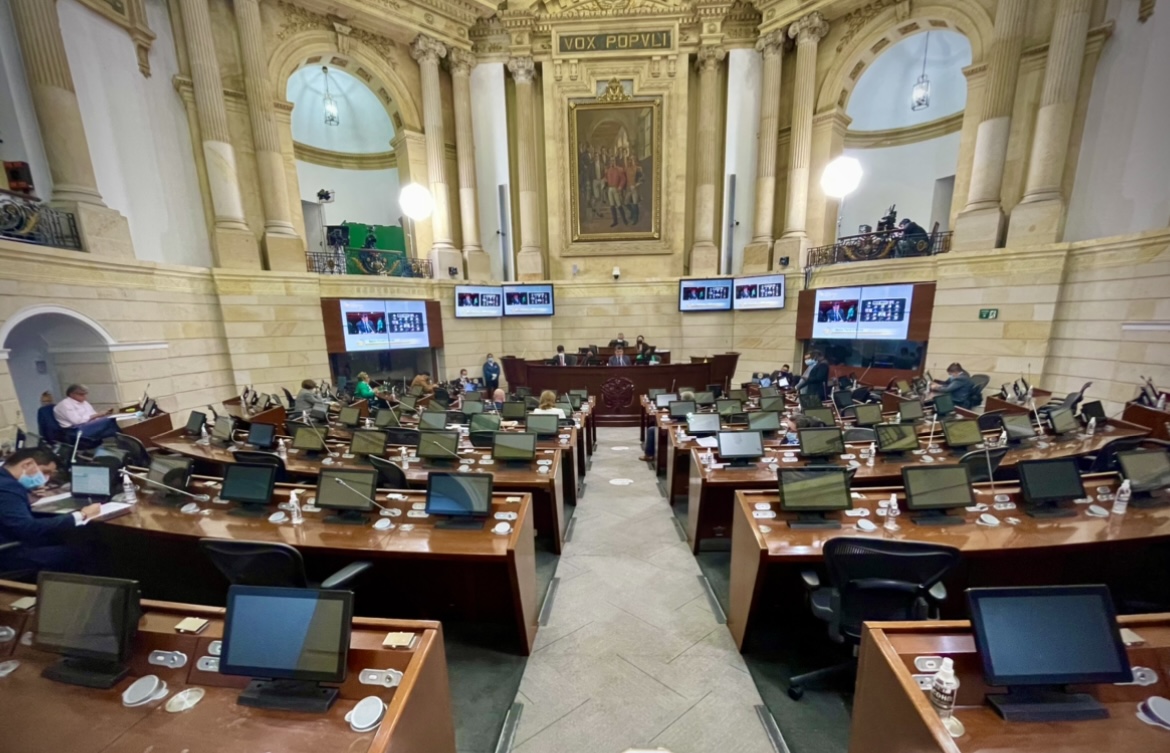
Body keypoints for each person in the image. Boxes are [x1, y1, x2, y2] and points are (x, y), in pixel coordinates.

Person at [0, 448, 99, 575]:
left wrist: (27, 499)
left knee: (59, 539)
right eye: (44, 472)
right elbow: (27, 528)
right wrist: (80, 515)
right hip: (7, 554)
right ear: (27, 464)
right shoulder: (8, 487)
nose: (45, 479)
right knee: (83, 552)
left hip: (8, 540)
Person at [53, 384, 118, 442]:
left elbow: (93, 415)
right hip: (74, 430)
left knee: (111, 422)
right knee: (109, 421)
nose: (84, 396)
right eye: (81, 394)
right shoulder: (65, 404)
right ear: (71, 394)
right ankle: (120, 439)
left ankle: (119, 439)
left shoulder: (84, 402)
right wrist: (97, 415)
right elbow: (77, 421)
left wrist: (101, 415)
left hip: (87, 425)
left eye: (85, 394)